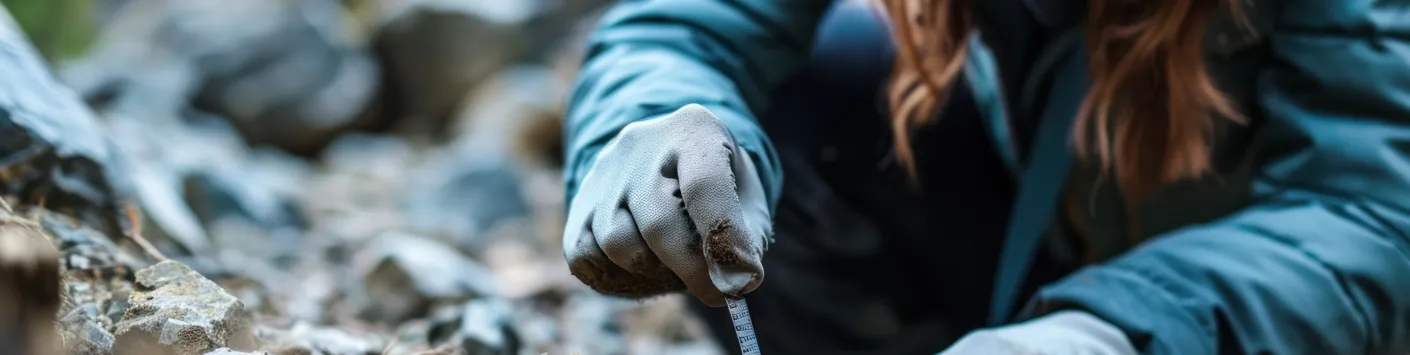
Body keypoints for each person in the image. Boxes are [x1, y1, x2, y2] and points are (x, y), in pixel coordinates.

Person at [560, 0, 1410, 353]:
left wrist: (1113, 331)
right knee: (824, 94)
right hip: (1042, 236)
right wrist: (649, 131)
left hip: (1270, 316)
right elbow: (684, 29)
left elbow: (1373, 211)